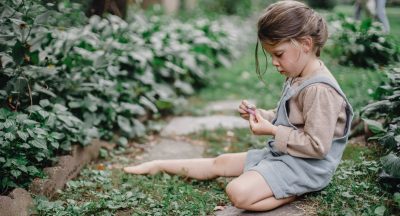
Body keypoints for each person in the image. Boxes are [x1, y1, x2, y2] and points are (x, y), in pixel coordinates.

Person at [124, 0, 353, 211]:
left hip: (307, 168)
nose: (274, 62)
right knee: (220, 162)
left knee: (237, 192)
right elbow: (294, 118)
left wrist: (272, 131)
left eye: (279, 54)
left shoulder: (320, 90)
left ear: (305, 44)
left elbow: (317, 146)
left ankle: (295, 190)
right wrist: (262, 115)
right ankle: (159, 164)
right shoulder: (299, 74)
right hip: (287, 155)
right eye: (271, 55)